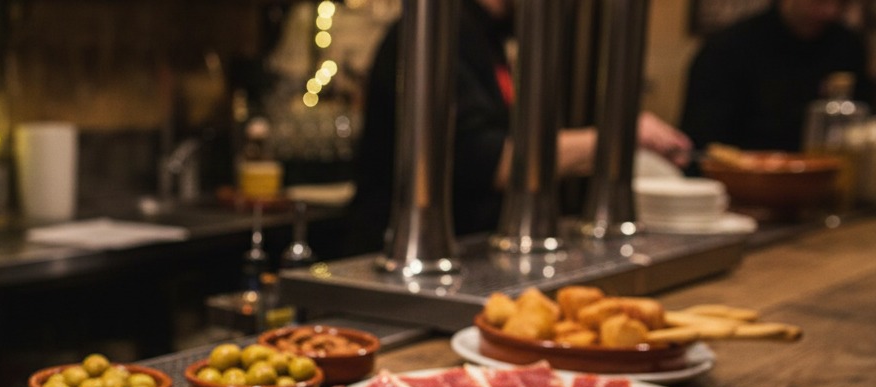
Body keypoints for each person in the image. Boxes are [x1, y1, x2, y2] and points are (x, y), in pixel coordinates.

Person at [345, 0, 691, 256]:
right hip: (393, 249)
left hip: (464, 249)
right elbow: (495, 161)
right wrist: (619, 136)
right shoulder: (439, 27)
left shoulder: (485, 36)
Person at [680, 0, 876, 153]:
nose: (830, 10)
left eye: (841, 3)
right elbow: (701, 142)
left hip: (828, 181)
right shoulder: (728, 48)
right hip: (741, 183)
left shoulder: (848, 45)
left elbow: (865, 117)